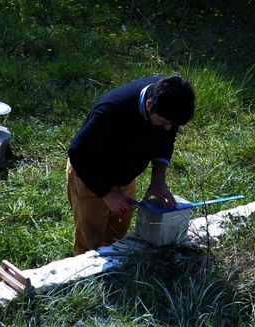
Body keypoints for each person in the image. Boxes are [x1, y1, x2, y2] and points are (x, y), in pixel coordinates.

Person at [67, 75, 195, 255]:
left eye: (172, 124)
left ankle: (113, 268)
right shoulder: (110, 111)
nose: (168, 128)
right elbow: (77, 152)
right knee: (91, 239)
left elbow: (167, 139)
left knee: (118, 235)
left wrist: (158, 180)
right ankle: (84, 271)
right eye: (164, 122)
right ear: (149, 104)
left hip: (124, 177)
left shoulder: (170, 101)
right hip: (92, 174)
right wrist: (106, 193)